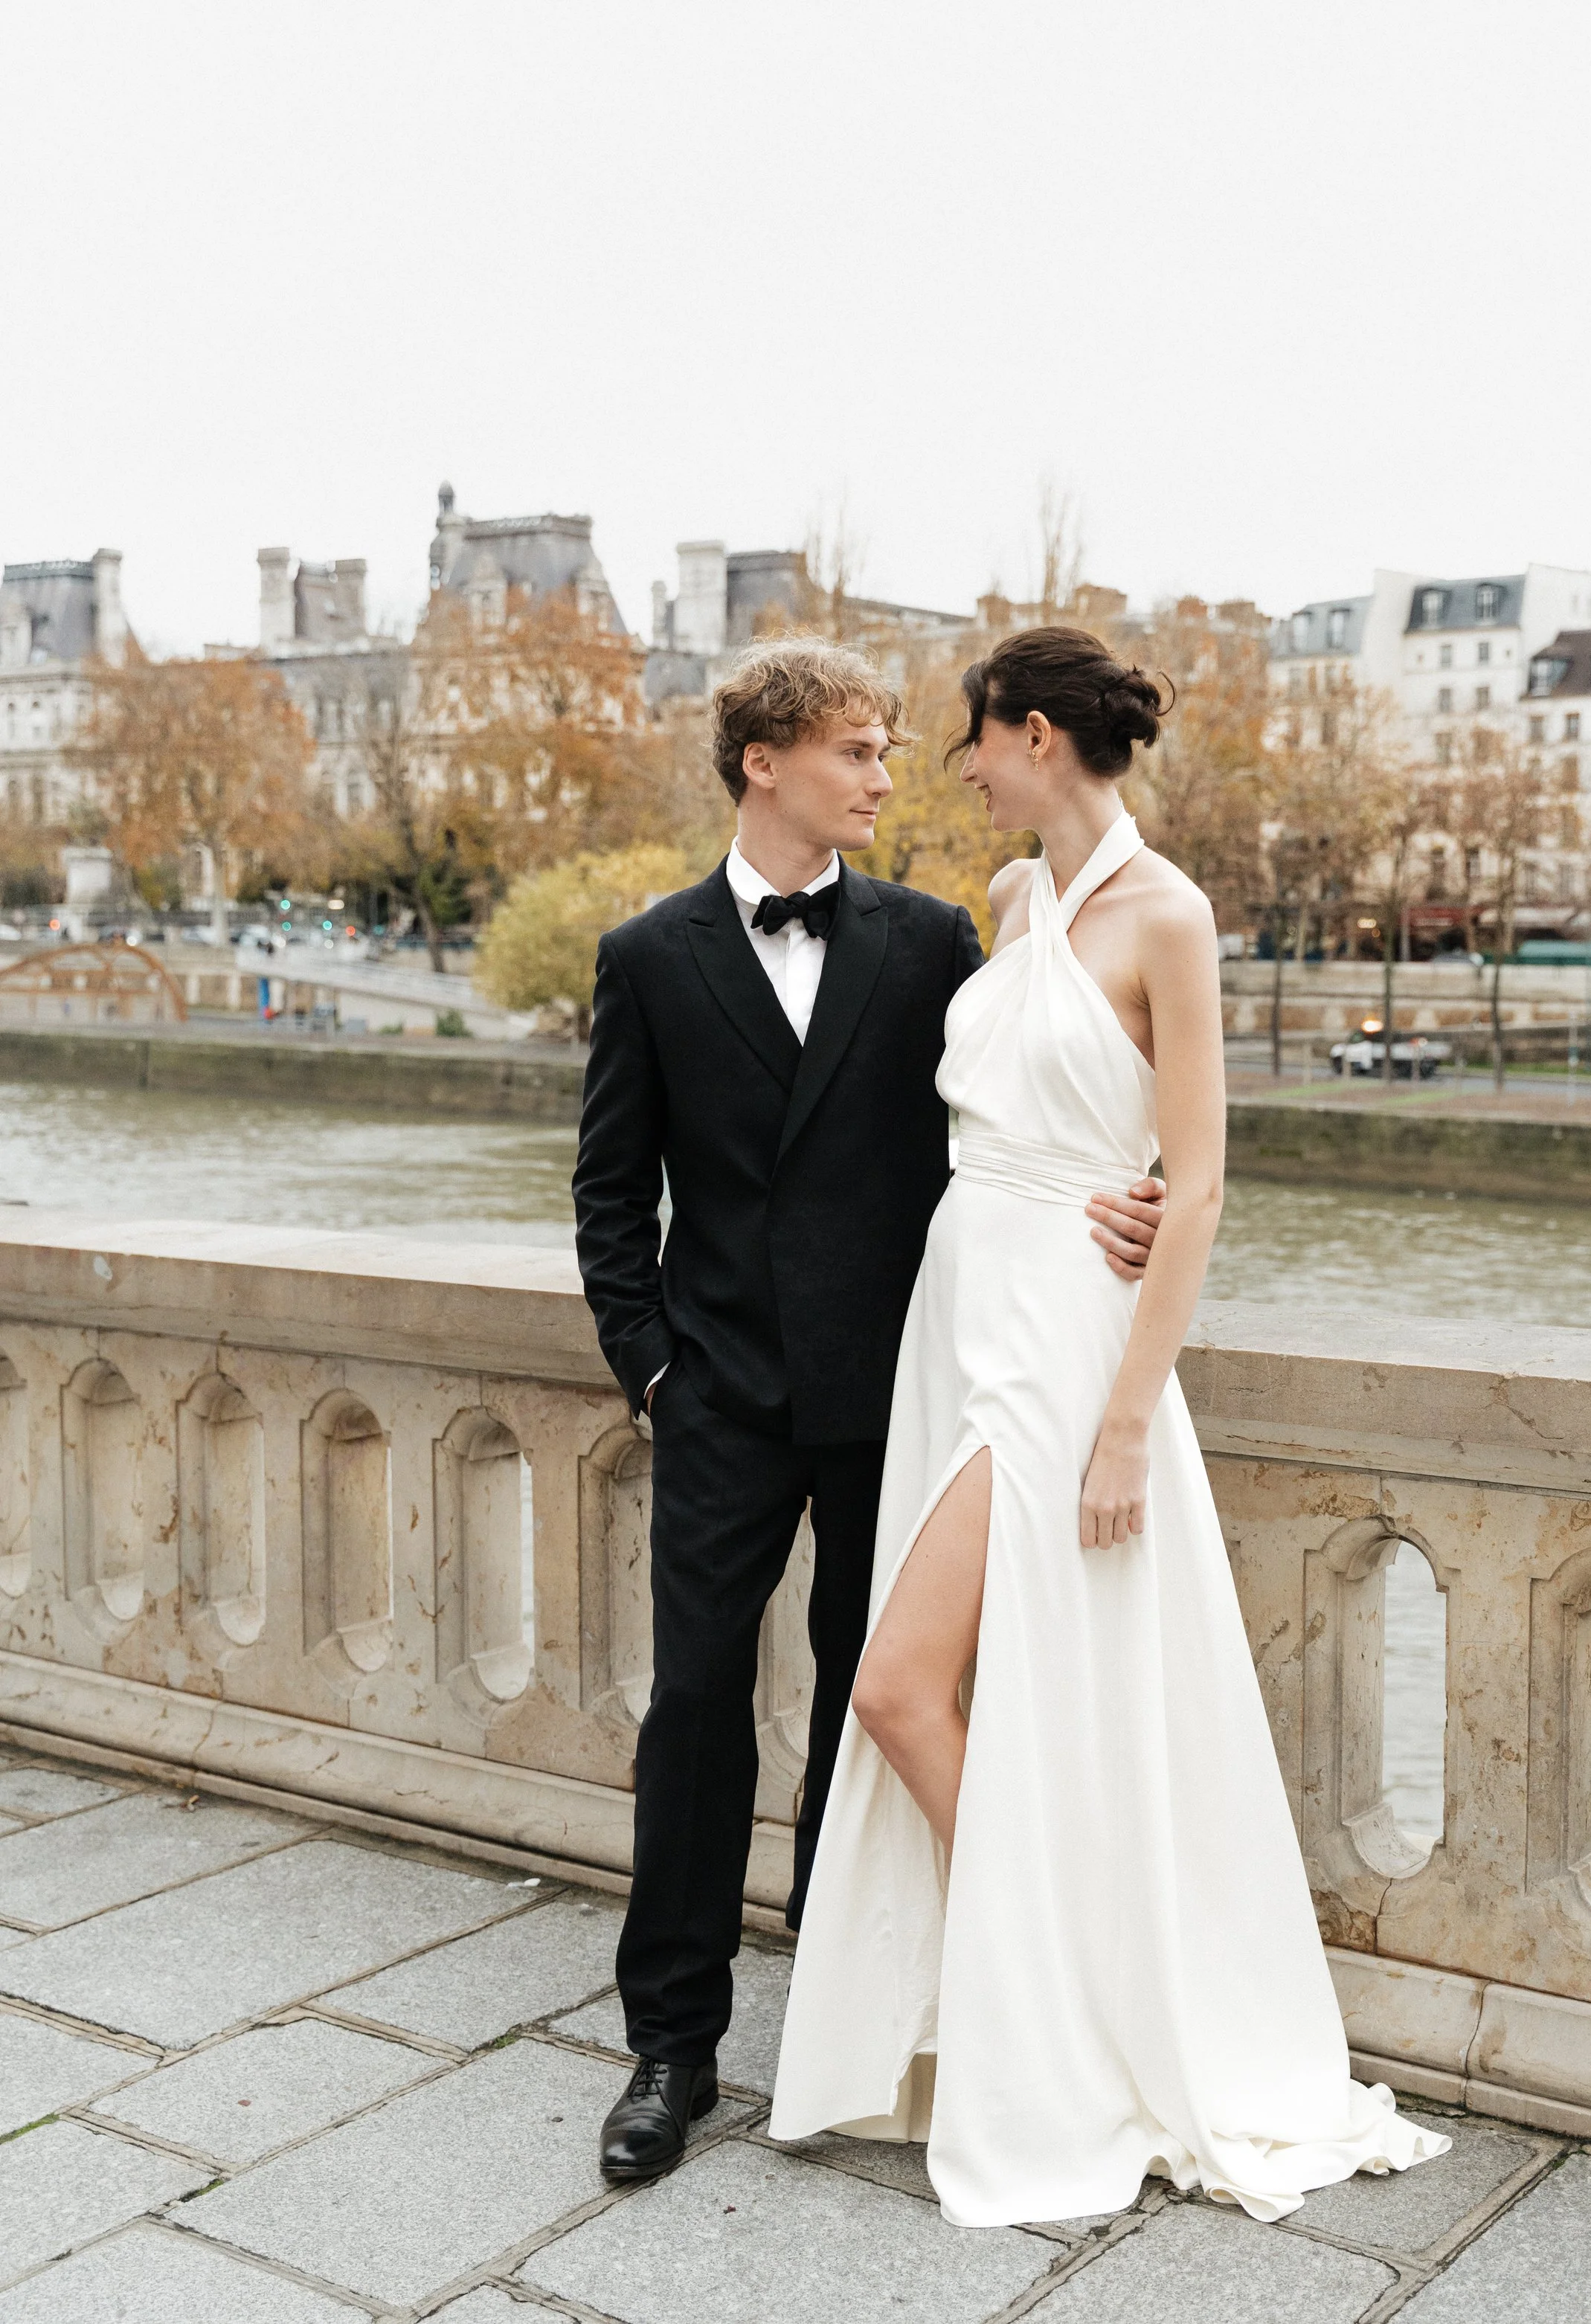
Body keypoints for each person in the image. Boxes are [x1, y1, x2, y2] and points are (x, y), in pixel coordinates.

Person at [770, 628, 1450, 2227]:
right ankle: (1047, 1980)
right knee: (953, 1687)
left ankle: (1060, 1993)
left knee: (890, 1684)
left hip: (1065, 1346)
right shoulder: (1012, 905)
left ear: (1029, 732)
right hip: (963, 1305)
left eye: (968, 739)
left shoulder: (1171, 914)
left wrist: (1129, 1419)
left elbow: (1197, 1178)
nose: (954, 767)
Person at [572, 638, 1166, 2185]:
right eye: (854, 751)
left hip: (900, 1387)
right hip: (715, 1401)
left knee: (865, 1701)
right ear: (762, 761)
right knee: (693, 1709)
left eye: (896, 750)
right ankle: (671, 2046)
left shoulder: (931, 939)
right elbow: (607, 1193)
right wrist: (651, 1368)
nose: (886, 776)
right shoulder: (647, 955)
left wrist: (1140, 1197)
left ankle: (839, 2015)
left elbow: (1032, 1105)